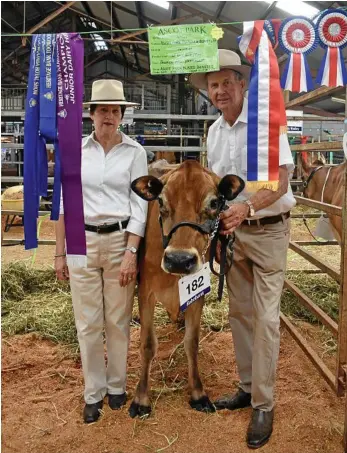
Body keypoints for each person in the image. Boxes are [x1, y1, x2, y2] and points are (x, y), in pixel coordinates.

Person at [190, 49, 296, 449]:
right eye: (213, 85)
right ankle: (248, 388)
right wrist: (215, 233)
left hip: (268, 231)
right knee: (240, 313)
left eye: (226, 83)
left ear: (242, 84)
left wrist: (248, 206)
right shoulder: (214, 131)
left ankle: (264, 404)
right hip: (232, 235)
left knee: (266, 318)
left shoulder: (267, 123)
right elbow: (216, 190)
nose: (219, 91)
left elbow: (282, 182)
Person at [54, 79, 148, 424]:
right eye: (103, 110)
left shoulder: (136, 152)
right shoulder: (74, 150)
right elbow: (63, 203)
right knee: (88, 321)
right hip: (81, 239)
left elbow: (141, 204)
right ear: (91, 114)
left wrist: (131, 251)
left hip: (120, 239)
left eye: (115, 110)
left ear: (122, 115)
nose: (109, 116)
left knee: (118, 319)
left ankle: (117, 385)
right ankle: (93, 391)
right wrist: (59, 252)